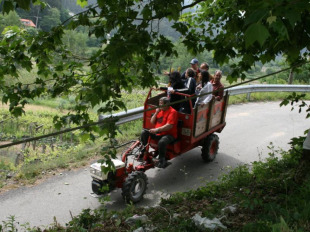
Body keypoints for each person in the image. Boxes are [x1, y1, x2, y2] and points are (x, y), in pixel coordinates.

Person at [140, 97, 178, 168]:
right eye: (159, 103)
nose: (159, 105)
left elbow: (169, 126)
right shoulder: (160, 111)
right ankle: (144, 151)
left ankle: (162, 160)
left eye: (161, 104)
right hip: (158, 133)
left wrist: (157, 130)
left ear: (166, 104)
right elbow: (152, 122)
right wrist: (156, 112)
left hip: (169, 134)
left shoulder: (173, 112)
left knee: (162, 142)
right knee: (144, 132)